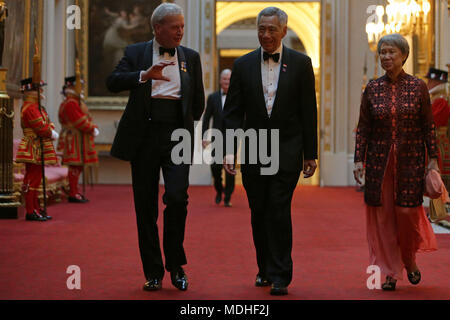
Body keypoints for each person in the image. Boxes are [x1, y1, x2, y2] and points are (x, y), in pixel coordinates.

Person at [106, 3, 204, 292]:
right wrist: (144, 76)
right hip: (145, 136)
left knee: (177, 198)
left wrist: (187, 127)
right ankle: (153, 272)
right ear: (158, 27)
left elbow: (197, 99)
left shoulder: (191, 57)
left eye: (182, 26)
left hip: (177, 136)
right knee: (145, 207)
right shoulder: (135, 53)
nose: (180, 32)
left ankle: (176, 265)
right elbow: (112, 81)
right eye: (175, 27)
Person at [223, 7, 318, 296]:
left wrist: (310, 153)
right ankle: (264, 268)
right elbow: (232, 113)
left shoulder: (301, 64)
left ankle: (280, 275)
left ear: (284, 31)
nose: (266, 35)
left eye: (271, 30)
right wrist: (229, 150)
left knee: (278, 209)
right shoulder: (242, 65)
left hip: (288, 149)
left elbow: (307, 112)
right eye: (261, 29)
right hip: (254, 150)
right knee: (259, 211)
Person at [354, 34, 438, 291]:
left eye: (392, 52)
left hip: (410, 161)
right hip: (379, 163)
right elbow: (363, 128)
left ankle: (409, 259)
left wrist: (433, 159)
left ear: (404, 55)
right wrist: (359, 160)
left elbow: (428, 126)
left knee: (405, 213)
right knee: (384, 218)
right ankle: (390, 271)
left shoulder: (418, 87)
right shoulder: (372, 88)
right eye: (383, 52)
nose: (387, 57)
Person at [16, 78, 58, 221]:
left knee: (36, 177)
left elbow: (48, 123)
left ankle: (35, 207)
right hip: (33, 146)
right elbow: (41, 127)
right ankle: (30, 210)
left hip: (38, 145)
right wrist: (50, 132)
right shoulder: (31, 107)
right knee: (33, 178)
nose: (41, 91)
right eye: (38, 88)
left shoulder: (37, 107)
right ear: (31, 91)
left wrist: (49, 129)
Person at [58, 76, 99, 203]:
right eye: (79, 86)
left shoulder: (74, 101)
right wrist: (92, 128)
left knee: (77, 166)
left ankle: (74, 190)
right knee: (75, 166)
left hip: (77, 138)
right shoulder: (71, 103)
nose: (81, 89)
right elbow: (79, 121)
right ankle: (73, 192)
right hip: (74, 139)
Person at [202, 69, 235, 207]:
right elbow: (207, 118)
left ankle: (227, 197)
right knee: (215, 168)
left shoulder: (237, 97)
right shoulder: (213, 97)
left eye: (229, 79)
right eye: (224, 79)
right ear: (220, 80)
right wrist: (204, 136)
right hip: (216, 138)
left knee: (230, 169)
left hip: (232, 138)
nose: (227, 81)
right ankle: (219, 190)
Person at [426, 68, 450, 190]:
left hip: (438, 141)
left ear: (437, 83)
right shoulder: (434, 99)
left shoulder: (441, 101)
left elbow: (432, 121)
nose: (428, 84)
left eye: (430, 81)